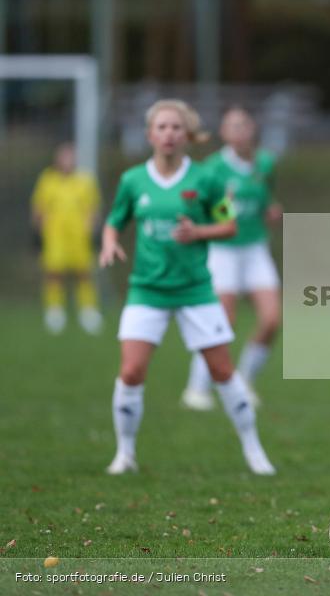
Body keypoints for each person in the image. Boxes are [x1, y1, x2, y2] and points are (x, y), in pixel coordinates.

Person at [100, 99, 275, 475]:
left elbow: (228, 225)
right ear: (150, 134)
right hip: (147, 290)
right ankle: (125, 453)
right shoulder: (133, 180)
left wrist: (198, 231)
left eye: (176, 127)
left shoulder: (206, 180)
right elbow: (115, 221)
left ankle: (253, 449)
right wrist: (109, 241)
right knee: (131, 371)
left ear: (187, 136)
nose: (169, 133)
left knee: (223, 371)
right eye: (161, 127)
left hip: (196, 289)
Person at [182, 106, 282, 411]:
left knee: (271, 320)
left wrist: (271, 209)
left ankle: (244, 381)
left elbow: (267, 196)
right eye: (232, 126)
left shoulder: (265, 162)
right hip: (223, 251)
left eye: (244, 125)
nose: (239, 131)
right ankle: (196, 388)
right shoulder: (213, 169)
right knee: (223, 321)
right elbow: (199, 207)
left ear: (252, 129)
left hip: (254, 250)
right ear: (224, 133)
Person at [31, 142, 103, 335]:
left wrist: (91, 227)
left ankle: (88, 311)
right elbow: (38, 208)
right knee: (54, 273)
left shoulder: (85, 180)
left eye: (70, 157)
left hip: (79, 236)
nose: (67, 161)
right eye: (64, 156)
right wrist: (38, 231)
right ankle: (55, 311)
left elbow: (93, 208)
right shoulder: (47, 179)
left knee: (84, 273)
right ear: (57, 159)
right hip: (54, 235)